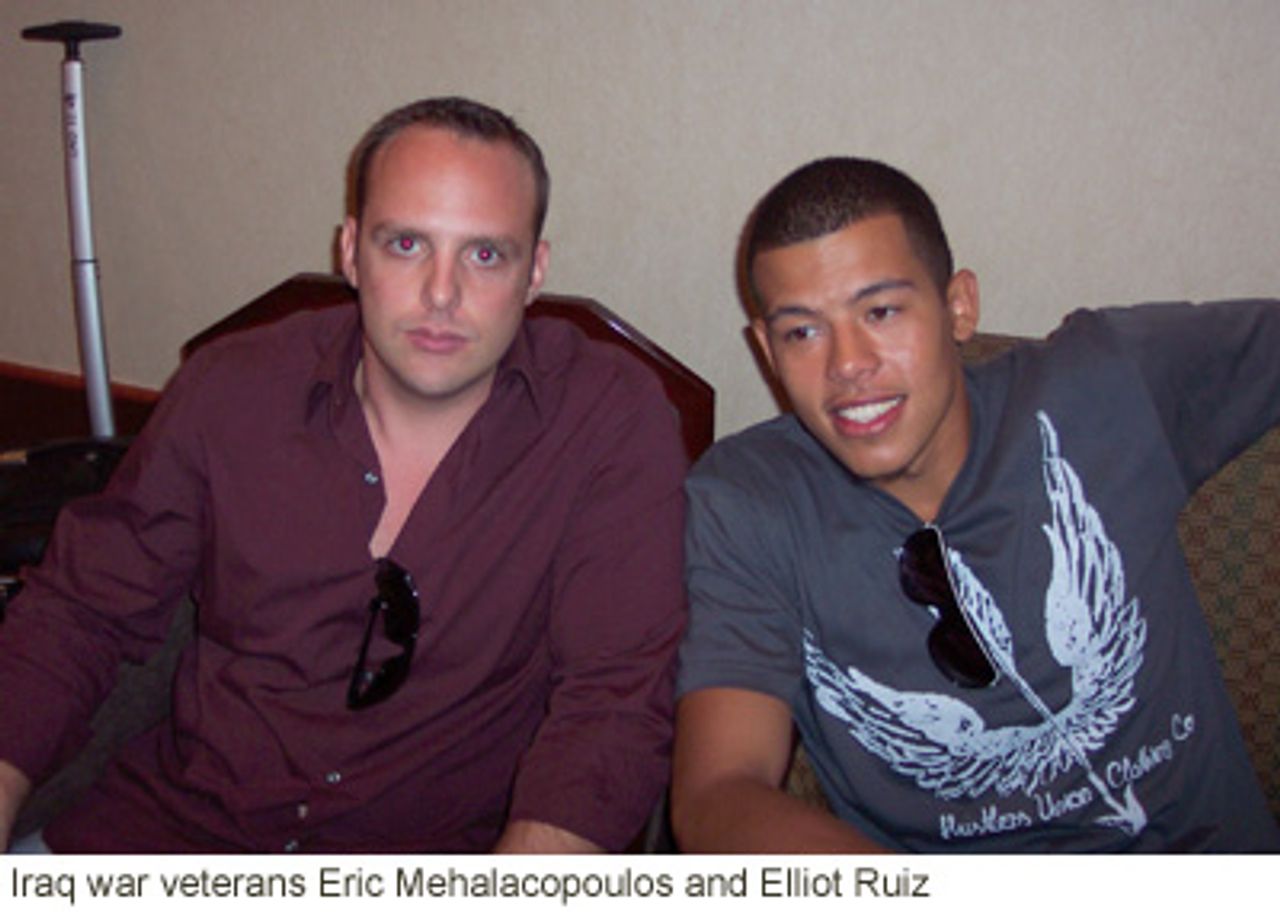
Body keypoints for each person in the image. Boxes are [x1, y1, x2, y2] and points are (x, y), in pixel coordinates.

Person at [0, 97, 687, 853]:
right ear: (352, 251)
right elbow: (81, 610)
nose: (441, 293)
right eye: (406, 245)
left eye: (485, 255)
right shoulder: (230, 387)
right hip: (169, 831)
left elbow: (615, 699)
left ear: (535, 273)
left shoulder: (605, 420)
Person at [671, 156, 1280, 852]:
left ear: (958, 306)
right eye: (802, 332)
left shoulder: (1107, 386)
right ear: (766, 350)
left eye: (881, 311)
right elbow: (720, 791)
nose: (847, 364)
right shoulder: (752, 499)